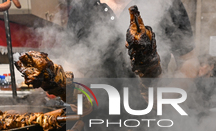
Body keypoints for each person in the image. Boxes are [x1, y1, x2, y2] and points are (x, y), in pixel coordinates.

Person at [66, 0, 199, 79]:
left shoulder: (166, 3)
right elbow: (72, 65)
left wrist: (170, 95)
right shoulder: (81, 7)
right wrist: (77, 95)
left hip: (152, 116)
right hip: (95, 115)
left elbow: (188, 60)